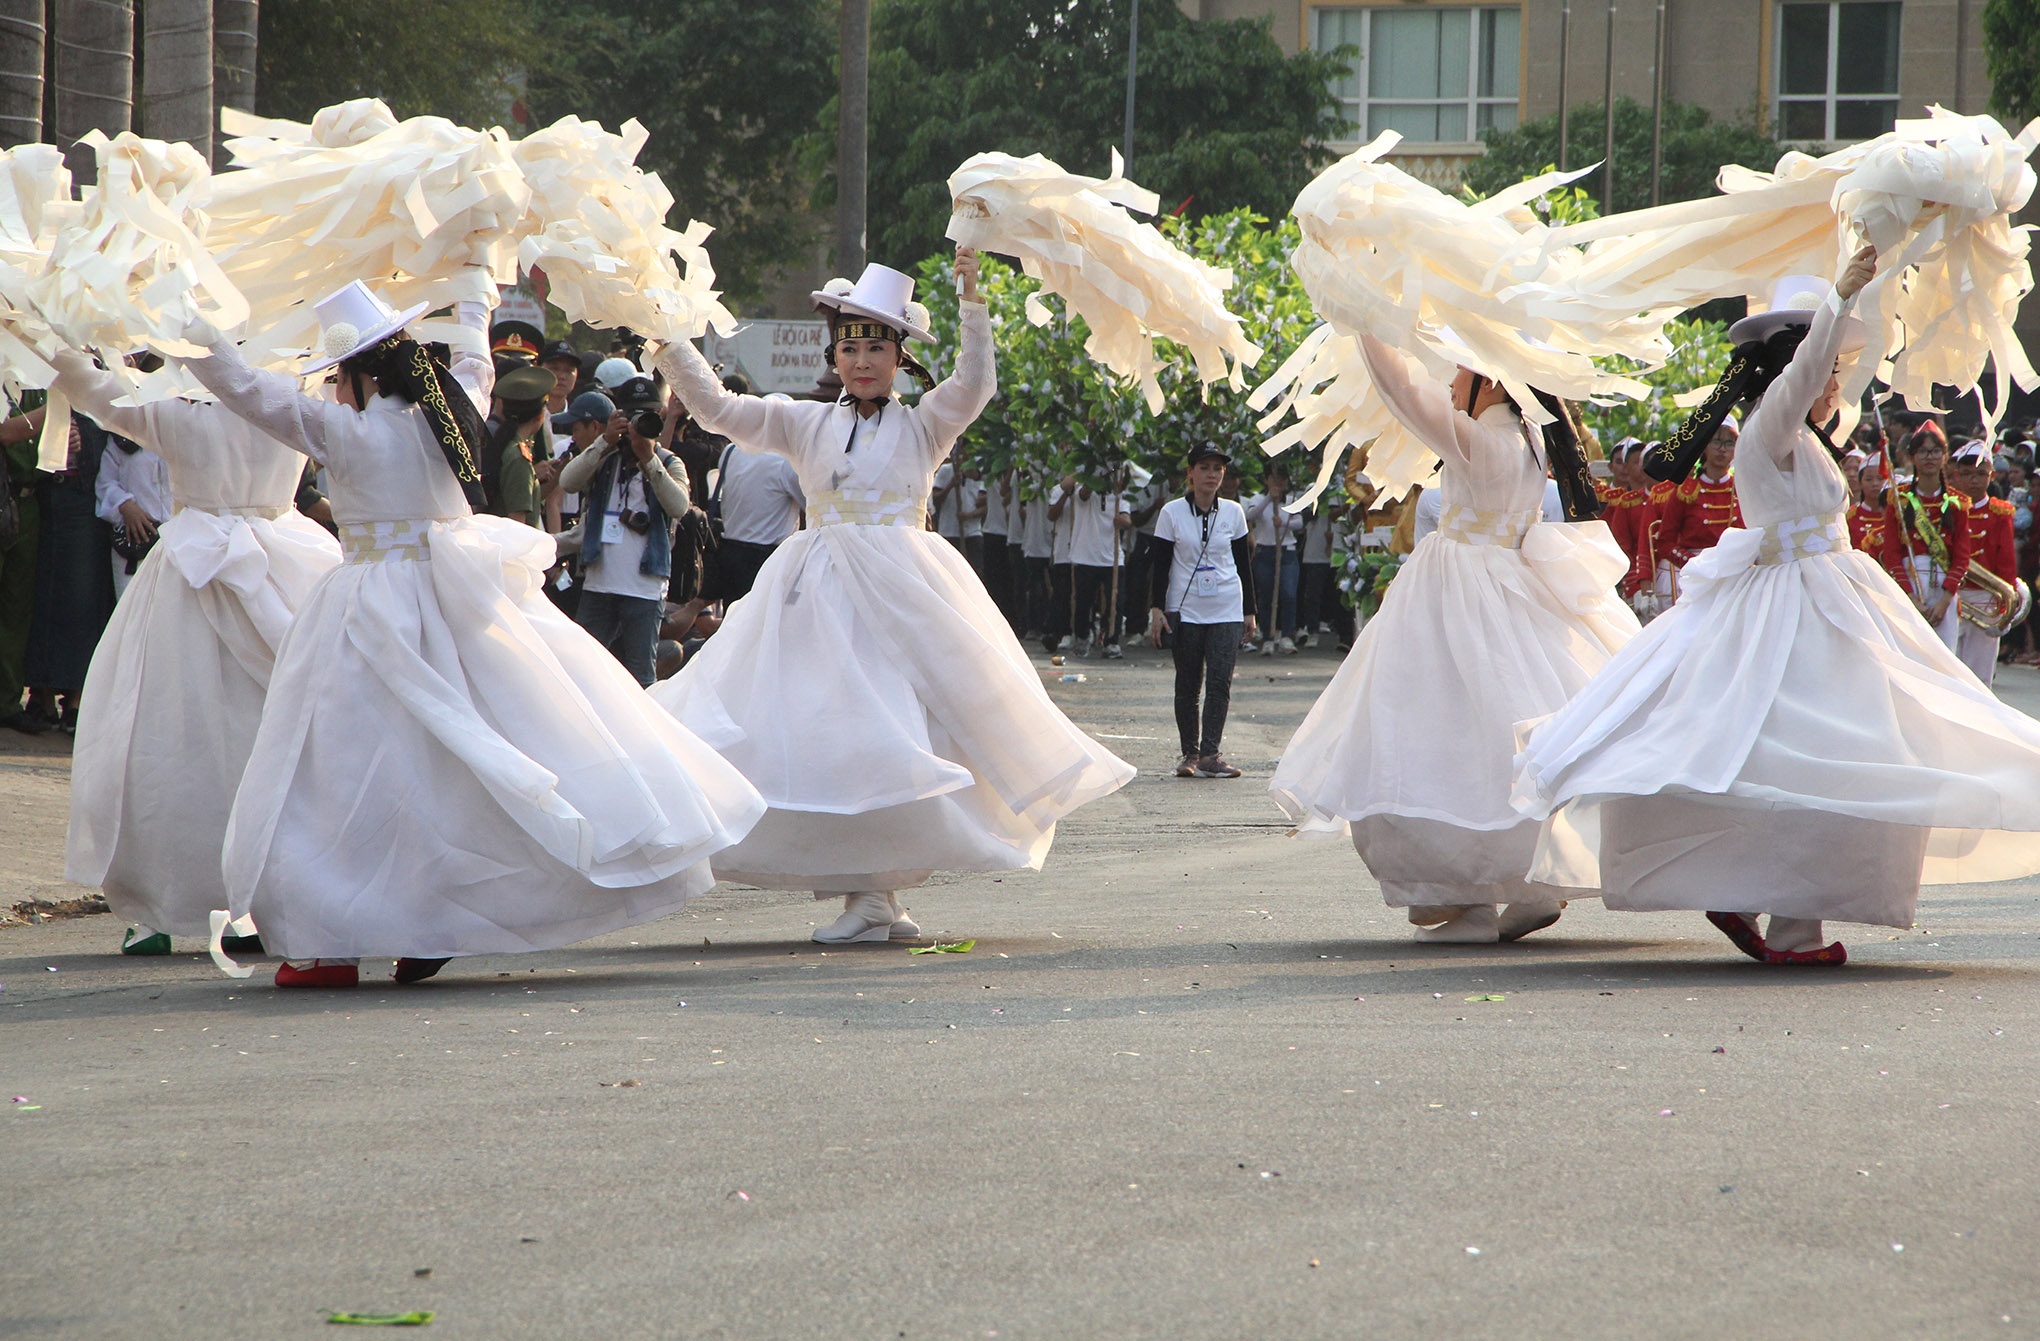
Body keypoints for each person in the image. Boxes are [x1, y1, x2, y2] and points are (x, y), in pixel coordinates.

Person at [178, 278, 764, 988]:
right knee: (463, 759)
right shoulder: (448, 404)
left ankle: (333, 941)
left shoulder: (345, 430)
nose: (333, 390)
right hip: (454, 597)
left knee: (339, 769)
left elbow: (242, 387)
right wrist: (479, 278)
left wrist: (182, 314)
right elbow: (479, 361)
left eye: (337, 377)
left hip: (368, 605)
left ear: (361, 377)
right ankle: (435, 915)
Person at [1516, 250, 2040, 967]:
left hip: (1821, 596)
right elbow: (1804, 374)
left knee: (1822, 753)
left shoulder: (1797, 433)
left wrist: (1862, 298)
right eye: (1827, 370)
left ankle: (1769, 906)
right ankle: (1783, 918)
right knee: (1818, 752)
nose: (1836, 383)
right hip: (1798, 604)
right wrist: (1838, 298)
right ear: (1796, 366)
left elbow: (1822, 383)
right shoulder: (1771, 422)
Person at [651, 252, 1133, 943]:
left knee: (899, 736)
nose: (862, 361)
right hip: (818, 598)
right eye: (850, 348)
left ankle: (878, 895)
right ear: (834, 356)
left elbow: (976, 383)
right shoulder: (801, 422)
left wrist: (972, 298)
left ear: (901, 357)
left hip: (905, 596)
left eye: (876, 348)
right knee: (827, 734)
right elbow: (718, 409)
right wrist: (669, 341)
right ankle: (873, 896)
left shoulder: (925, 423)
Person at [1272, 330, 1637, 944]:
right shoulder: (1530, 436)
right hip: (1511, 581)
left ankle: (1473, 901)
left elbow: (1401, 390)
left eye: (1460, 370)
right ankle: (1526, 884)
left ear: (1490, 379)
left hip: (1463, 587)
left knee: (1439, 738)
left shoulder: (1481, 438)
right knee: (1498, 734)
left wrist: (1365, 319)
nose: (1449, 381)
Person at [49, 344, 342, 957]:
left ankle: (153, 908)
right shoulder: (291, 401)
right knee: (279, 730)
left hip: (192, 569)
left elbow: (93, 392)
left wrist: (52, 335)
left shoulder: (179, 414)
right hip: (286, 561)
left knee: (162, 734)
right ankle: (261, 897)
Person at [559, 375, 693, 686]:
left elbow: (678, 507)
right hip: (599, 584)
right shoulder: (606, 457)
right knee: (581, 670)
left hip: (644, 589)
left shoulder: (667, 462)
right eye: (631, 416)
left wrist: (648, 458)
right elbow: (568, 482)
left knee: (640, 677)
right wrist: (604, 441)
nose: (637, 425)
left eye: (645, 416)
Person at [1146, 443, 1257, 778]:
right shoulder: (1172, 513)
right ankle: (1190, 755)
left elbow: (1243, 564)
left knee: (1220, 682)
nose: (1211, 474)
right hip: (1186, 608)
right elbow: (1160, 565)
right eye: (1204, 467)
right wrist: (1156, 609)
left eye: (1217, 468)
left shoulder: (1234, 512)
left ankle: (1211, 754)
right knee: (1188, 684)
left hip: (1227, 606)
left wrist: (1250, 611)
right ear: (1190, 473)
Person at [1881, 420, 1972, 652]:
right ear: (1912, 457)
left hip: (1945, 589)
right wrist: (1910, 597)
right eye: (1922, 451)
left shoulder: (1958, 502)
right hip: (1910, 584)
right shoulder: (1898, 500)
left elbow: (1962, 557)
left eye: (1935, 451)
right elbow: (1891, 555)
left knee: (1945, 658)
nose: (1929, 457)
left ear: (1945, 456)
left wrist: (1944, 601)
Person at [1949, 438, 2021, 684]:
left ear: (1991, 476)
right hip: (1950, 596)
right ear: (1956, 475)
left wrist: (2003, 610)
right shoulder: (1947, 508)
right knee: (1947, 670)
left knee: (1979, 676)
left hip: (1985, 598)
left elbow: (2006, 564)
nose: (1974, 480)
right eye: (1967, 474)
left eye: (1981, 474)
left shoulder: (1999, 512)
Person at [708, 429, 804, 605]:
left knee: (734, 615)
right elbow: (810, 502)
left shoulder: (730, 451)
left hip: (729, 550)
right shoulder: (785, 461)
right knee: (766, 615)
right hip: (764, 557)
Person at [1654, 417, 1742, 603]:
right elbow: (1665, 542)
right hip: (1695, 574)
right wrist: (1693, 563)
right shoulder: (1686, 491)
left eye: (1729, 443)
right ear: (1704, 445)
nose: (1722, 449)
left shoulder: (1742, 489)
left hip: (1733, 574)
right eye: (1716, 441)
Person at [0, 398, 48, 734]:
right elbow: (5, 432)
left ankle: (7, 702)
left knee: (17, 611)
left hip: (28, 500)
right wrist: (58, 408)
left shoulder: (41, 387)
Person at [93, 411, 170, 601]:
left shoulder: (182, 435)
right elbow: (104, 483)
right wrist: (124, 504)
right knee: (131, 607)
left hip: (175, 541)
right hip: (135, 544)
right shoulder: (123, 435)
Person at [480, 365, 556, 531]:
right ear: (539, 416)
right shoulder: (519, 458)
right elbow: (517, 525)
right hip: (514, 545)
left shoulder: (505, 445)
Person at [1245, 463, 1302, 653]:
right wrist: (1270, 498)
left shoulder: (1292, 500)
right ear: (1266, 480)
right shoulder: (1258, 499)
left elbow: (1300, 522)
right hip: (1265, 550)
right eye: (1274, 478)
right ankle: (1268, 636)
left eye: (1282, 479)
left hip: (1287, 550)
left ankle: (1286, 635)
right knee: (1266, 594)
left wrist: (1284, 522)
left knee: (1288, 593)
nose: (1279, 482)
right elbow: (1251, 515)